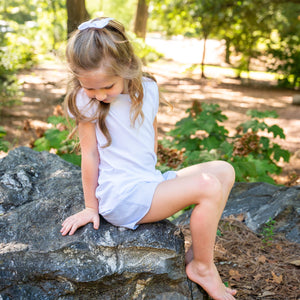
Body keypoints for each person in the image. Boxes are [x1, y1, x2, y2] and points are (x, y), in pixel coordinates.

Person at [60, 17, 237, 300]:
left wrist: (162, 184)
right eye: (90, 87)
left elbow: (150, 137)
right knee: (209, 186)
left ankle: (195, 254)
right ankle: (203, 267)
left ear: (126, 66)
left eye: (107, 86)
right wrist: (90, 207)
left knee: (224, 170)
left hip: (148, 182)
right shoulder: (85, 100)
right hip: (122, 197)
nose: (99, 95)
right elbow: (90, 154)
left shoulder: (148, 89)